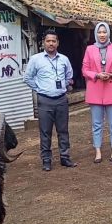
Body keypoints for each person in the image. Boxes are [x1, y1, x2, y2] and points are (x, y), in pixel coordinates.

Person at [24, 29, 77, 171]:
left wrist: (64, 85)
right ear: (43, 43)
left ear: (58, 43)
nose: (51, 43)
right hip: (44, 101)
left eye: (54, 41)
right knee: (45, 132)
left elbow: (69, 76)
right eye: (48, 41)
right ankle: (46, 160)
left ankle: (65, 157)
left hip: (61, 100)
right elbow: (27, 78)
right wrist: (40, 88)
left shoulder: (64, 59)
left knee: (63, 130)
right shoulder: (36, 59)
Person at [82, 22, 112, 163]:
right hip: (95, 90)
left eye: (104, 32)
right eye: (99, 32)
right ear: (96, 34)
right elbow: (85, 69)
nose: (102, 35)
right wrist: (96, 75)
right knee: (96, 123)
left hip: (111, 90)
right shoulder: (89, 49)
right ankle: (98, 151)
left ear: (108, 33)